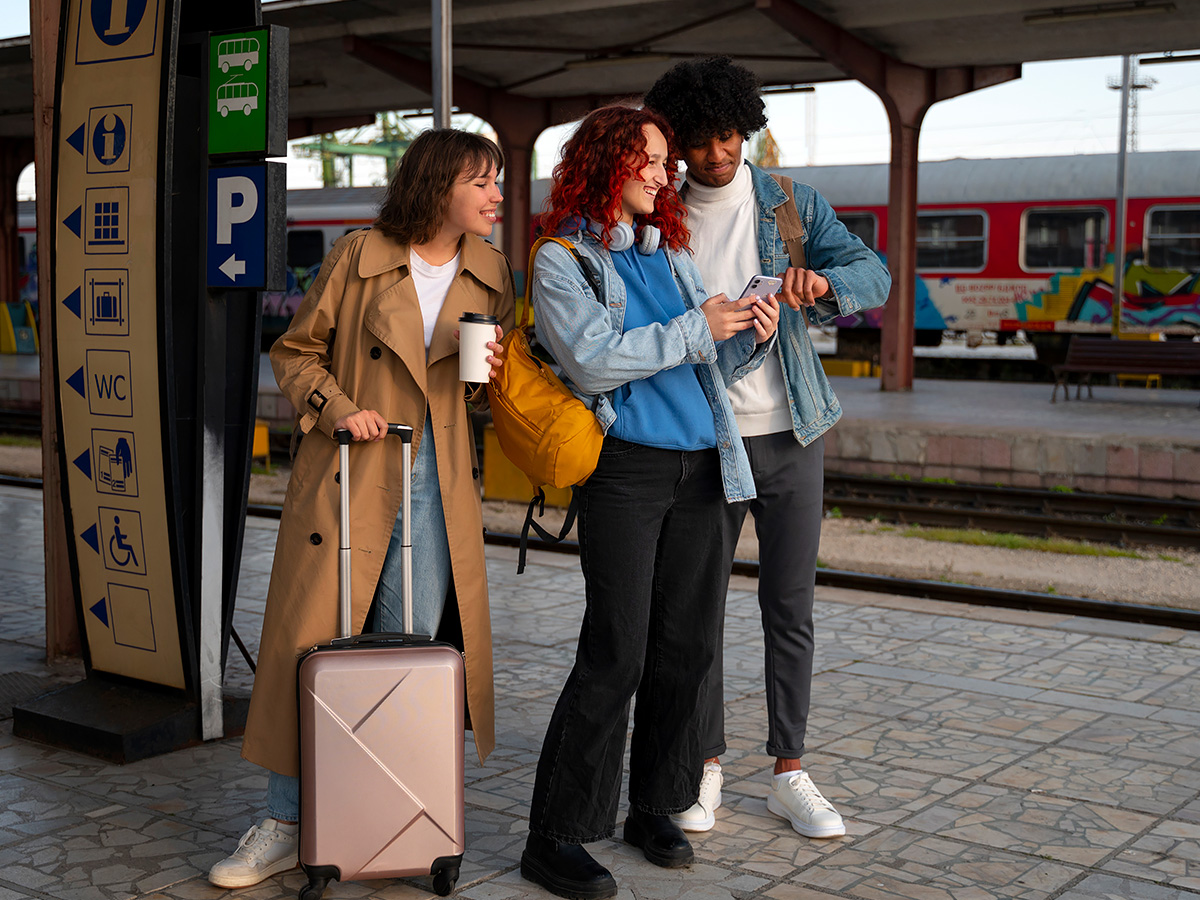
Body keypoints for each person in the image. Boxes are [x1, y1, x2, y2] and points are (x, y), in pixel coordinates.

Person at [208, 129, 515, 889]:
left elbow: (470, 394)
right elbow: (294, 351)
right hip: (349, 472)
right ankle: (283, 822)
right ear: (438, 184)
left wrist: (490, 378)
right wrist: (338, 406)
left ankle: (388, 810)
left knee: (405, 653)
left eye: (499, 181)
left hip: (436, 483)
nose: (497, 195)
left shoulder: (492, 274)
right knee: (312, 648)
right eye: (482, 181)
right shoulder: (359, 256)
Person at [519, 105, 780, 900]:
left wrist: (750, 331)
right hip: (625, 472)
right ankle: (555, 835)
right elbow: (595, 362)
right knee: (616, 652)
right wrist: (698, 329)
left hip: (705, 467)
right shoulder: (562, 259)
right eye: (654, 159)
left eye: (667, 161)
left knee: (686, 649)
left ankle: (655, 807)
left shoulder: (669, 252)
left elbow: (706, 360)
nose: (667, 174)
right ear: (607, 163)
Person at [644, 58, 891, 840]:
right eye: (700, 141)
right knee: (698, 612)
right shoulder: (660, 215)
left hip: (792, 433)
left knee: (790, 606)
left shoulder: (788, 203)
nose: (717, 154)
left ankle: (790, 769)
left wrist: (821, 287)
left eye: (727, 136)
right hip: (705, 440)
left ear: (745, 128)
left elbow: (873, 272)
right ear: (678, 142)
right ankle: (704, 766)